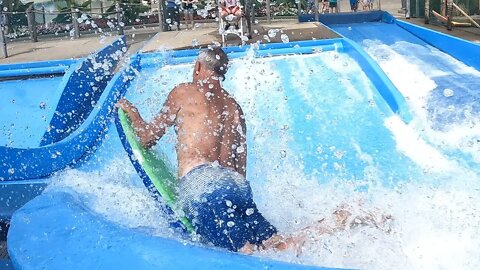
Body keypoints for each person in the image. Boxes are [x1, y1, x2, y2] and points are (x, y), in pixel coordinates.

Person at [117, 47, 391, 254]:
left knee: (248, 256)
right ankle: (340, 218)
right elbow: (238, 170)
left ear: (198, 66)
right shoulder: (235, 107)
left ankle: (343, 217)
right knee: (277, 247)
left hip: (203, 185)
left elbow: (147, 138)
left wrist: (134, 114)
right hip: (236, 187)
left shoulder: (184, 91)